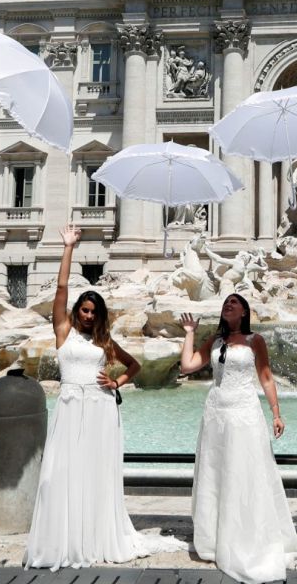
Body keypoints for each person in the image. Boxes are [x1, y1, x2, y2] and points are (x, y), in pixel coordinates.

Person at [24, 225, 185, 569]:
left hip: (99, 407)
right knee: (61, 471)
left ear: (99, 315)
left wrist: (118, 383)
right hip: (69, 405)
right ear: (76, 311)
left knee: (96, 472)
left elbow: (135, 365)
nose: (88, 315)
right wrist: (69, 248)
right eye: (84, 310)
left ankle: (95, 534)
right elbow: (62, 288)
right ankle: (66, 537)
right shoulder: (63, 331)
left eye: (93, 312)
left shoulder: (104, 342)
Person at [180, 294, 296, 584]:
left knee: (246, 470)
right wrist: (190, 334)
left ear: (245, 311)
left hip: (245, 410)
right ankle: (215, 538)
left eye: (234, 302)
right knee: (216, 471)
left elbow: (266, 377)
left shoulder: (255, 340)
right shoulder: (215, 341)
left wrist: (276, 413)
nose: (228, 304)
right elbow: (188, 366)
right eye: (225, 302)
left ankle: (247, 534)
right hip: (216, 411)